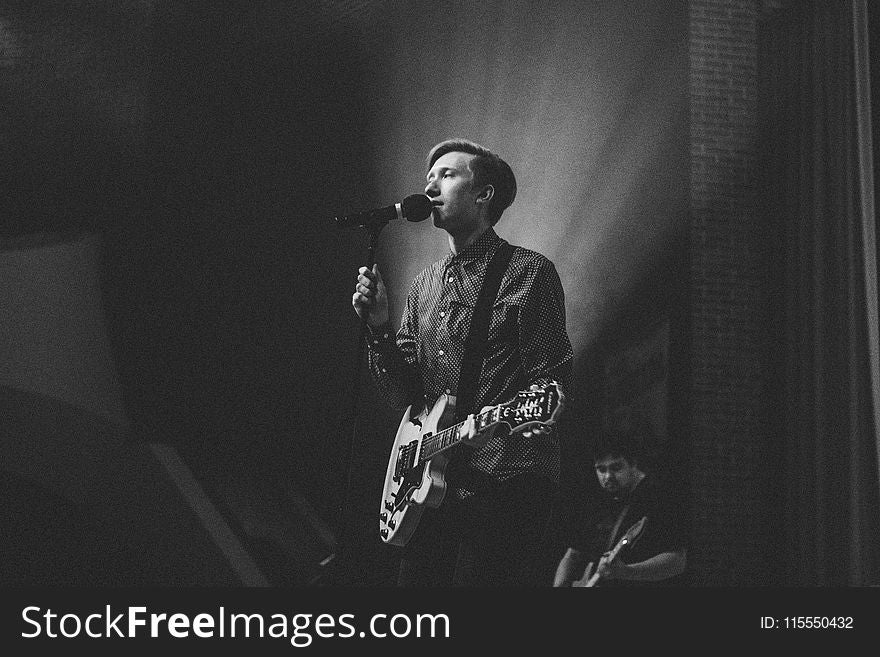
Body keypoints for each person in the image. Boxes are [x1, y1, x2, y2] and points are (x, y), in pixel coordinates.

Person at [352, 138, 573, 586]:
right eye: (428, 177)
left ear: (484, 194)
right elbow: (405, 397)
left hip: (507, 480)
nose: (431, 184)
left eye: (447, 175)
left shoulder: (529, 273)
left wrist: (501, 421)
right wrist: (378, 328)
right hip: (430, 486)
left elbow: (550, 378)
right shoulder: (423, 285)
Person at [553, 427, 687, 587]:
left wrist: (627, 572)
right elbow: (573, 554)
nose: (608, 476)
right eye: (601, 469)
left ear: (633, 464)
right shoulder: (597, 499)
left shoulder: (659, 498)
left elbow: (677, 562)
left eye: (616, 468)